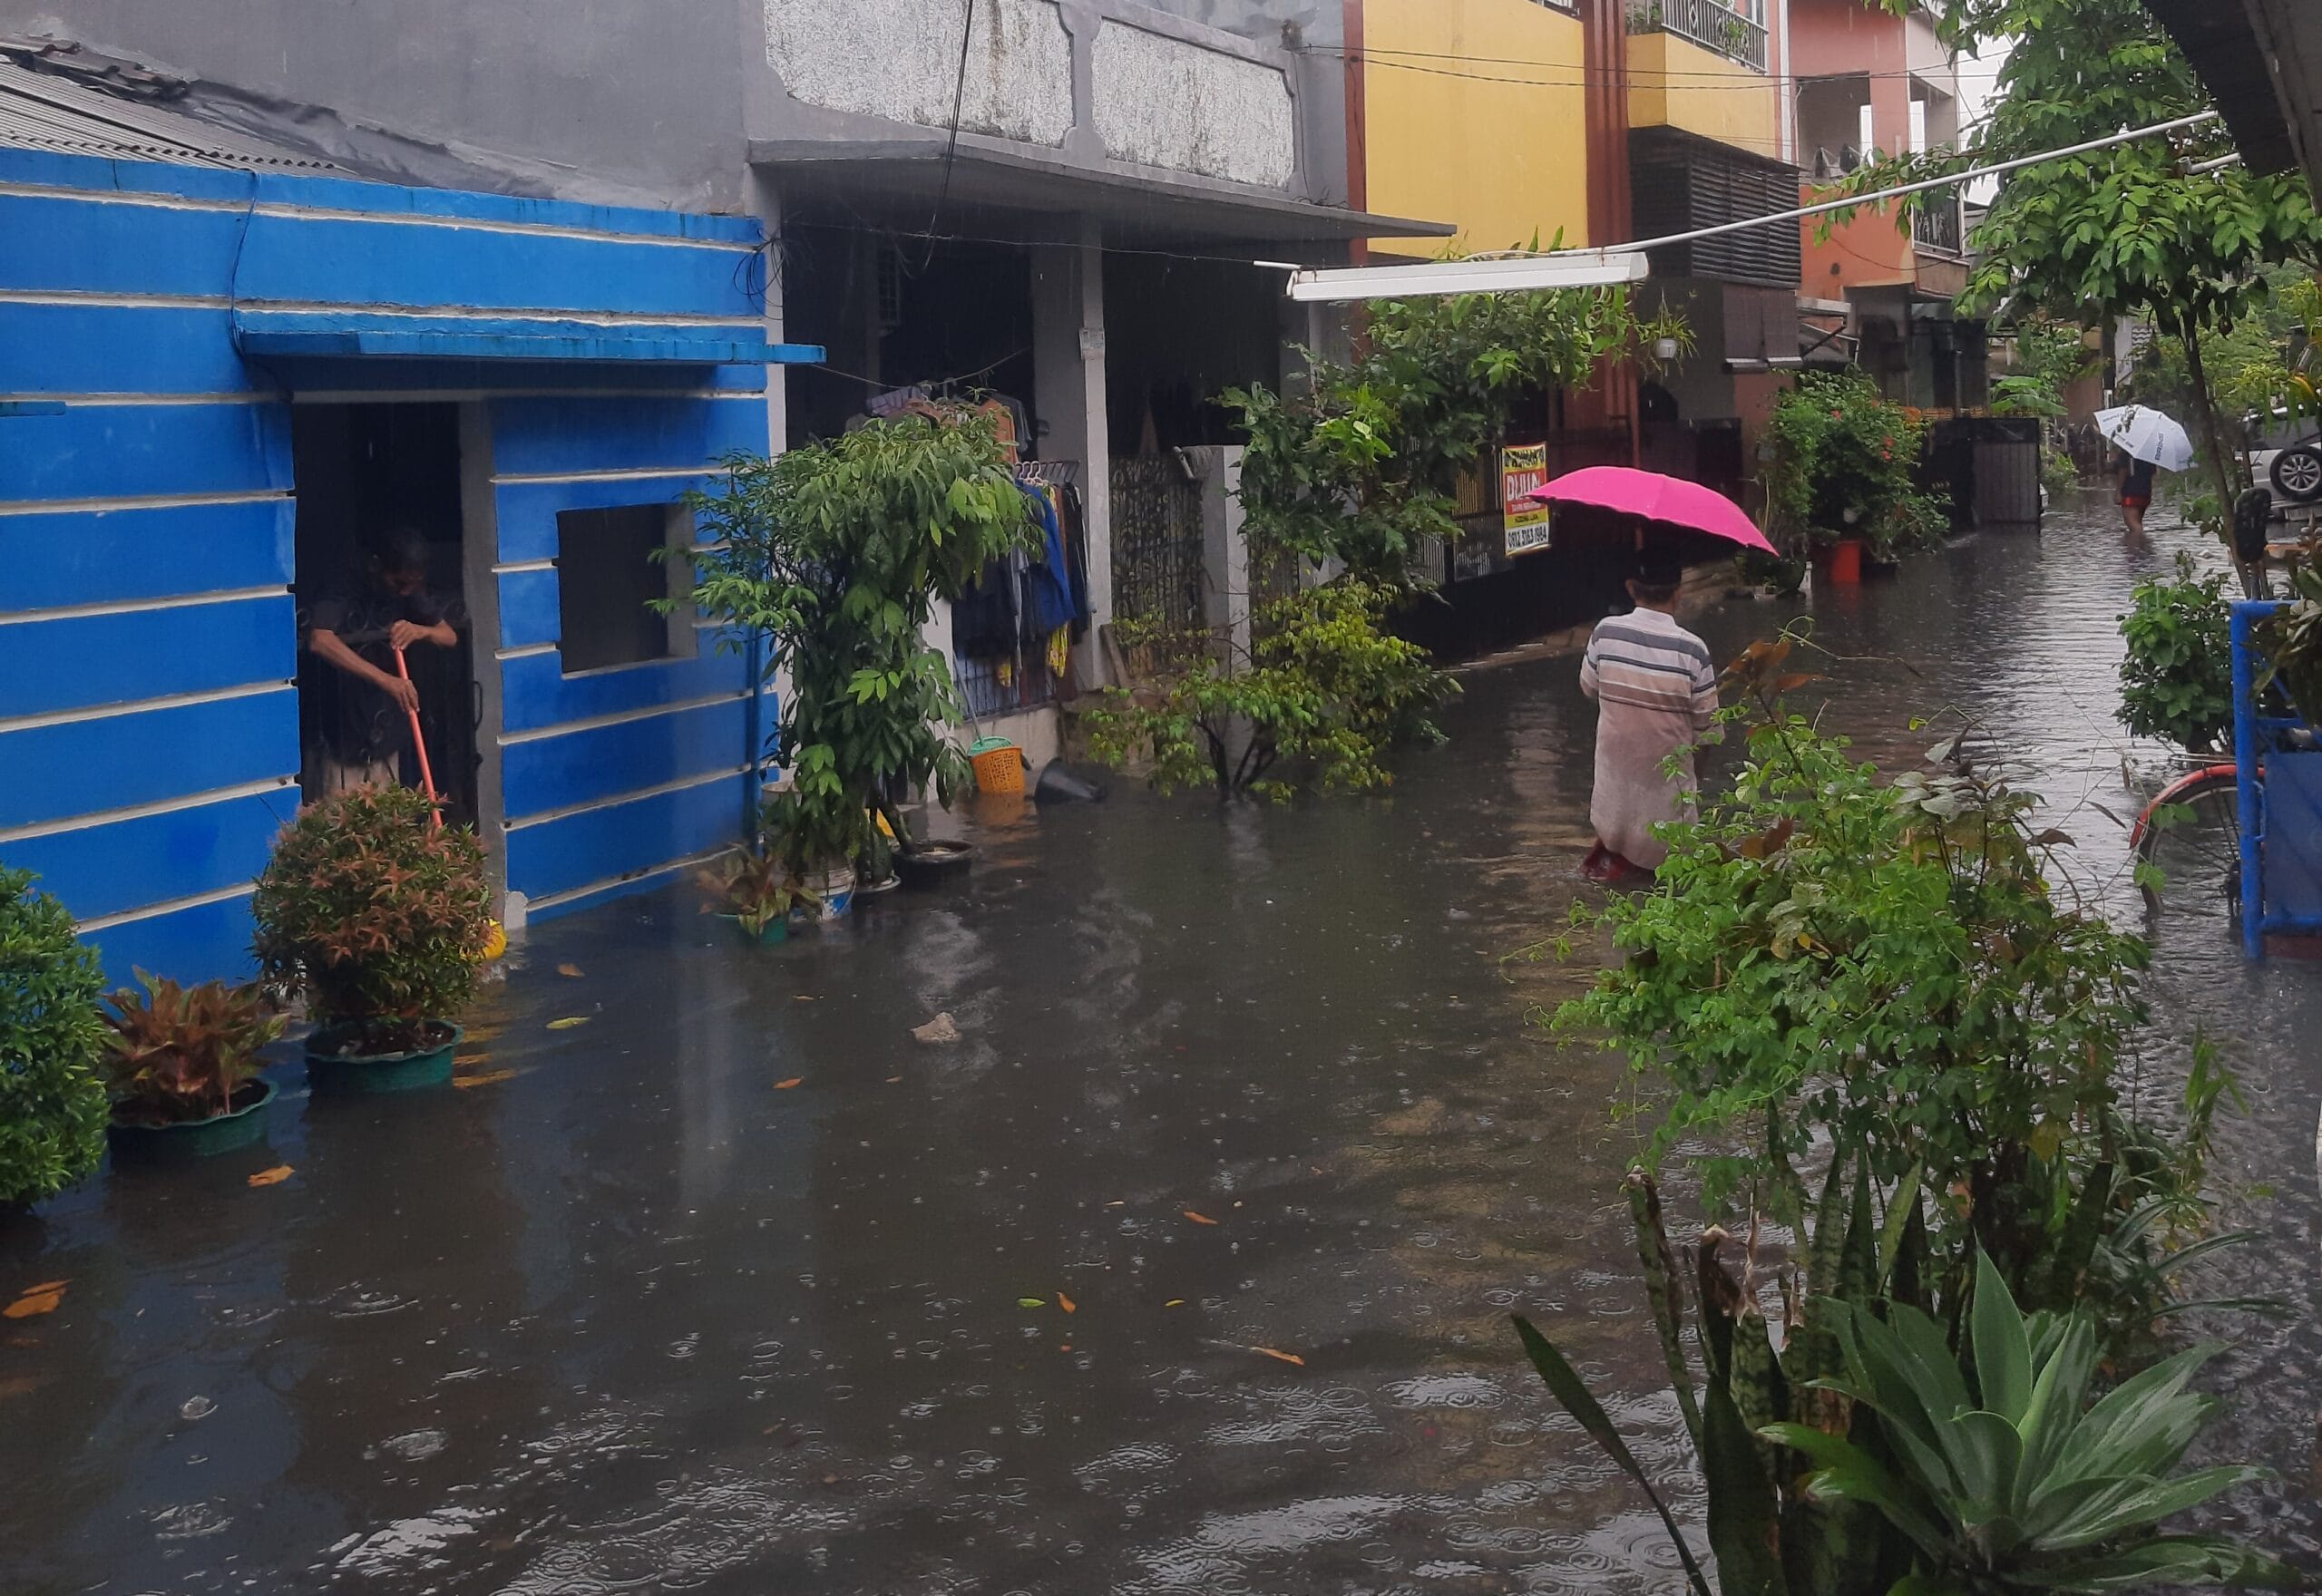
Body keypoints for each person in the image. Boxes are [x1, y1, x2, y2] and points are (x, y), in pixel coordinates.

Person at [1578, 552, 1720, 883]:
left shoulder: (1605, 632)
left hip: (1609, 815)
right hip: (1669, 826)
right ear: (1679, 592)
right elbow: (1708, 732)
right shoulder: (1693, 650)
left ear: (1631, 588)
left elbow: (1588, 687)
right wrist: (1694, 781)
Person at [303, 528, 458, 795]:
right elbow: (319, 639)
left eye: (413, 585)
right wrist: (386, 680)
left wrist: (421, 630)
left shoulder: (408, 590)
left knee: (386, 819)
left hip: (383, 723)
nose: (405, 591)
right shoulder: (344, 581)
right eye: (399, 583)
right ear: (375, 565)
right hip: (340, 721)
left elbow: (450, 636)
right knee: (338, 821)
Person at [2117, 447, 2156, 538]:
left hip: (2131, 492)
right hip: (2145, 492)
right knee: (2137, 521)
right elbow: (2154, 472)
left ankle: (2136, 547)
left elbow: (2123, 471)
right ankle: (2142, 548)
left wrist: (2118, 491)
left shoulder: (2128, 450)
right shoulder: (2150, 452)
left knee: (2132, 524)